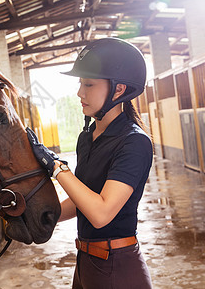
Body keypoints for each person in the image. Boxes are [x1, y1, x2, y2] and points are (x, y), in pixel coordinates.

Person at [27, 37, 153, 289]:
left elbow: (100, 213)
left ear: (119, 90)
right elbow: (83, 201)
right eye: (80, 83)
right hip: (86, 263)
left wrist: (57, 168)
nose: (79, 93)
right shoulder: (87, 137)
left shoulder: (134, 142)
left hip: (117, 267)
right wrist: (38, 217)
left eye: (89, 84)